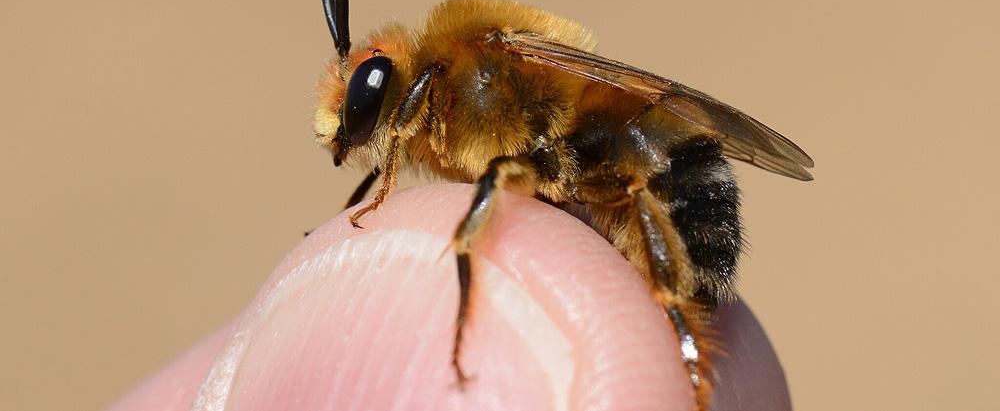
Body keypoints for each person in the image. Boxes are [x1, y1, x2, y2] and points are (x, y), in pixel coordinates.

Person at [108, 185, 791, 411]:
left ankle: (687, 342)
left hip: (668, 189)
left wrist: (461, 311)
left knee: (635, 189)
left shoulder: (480, 94)